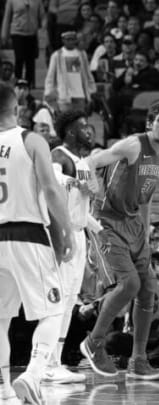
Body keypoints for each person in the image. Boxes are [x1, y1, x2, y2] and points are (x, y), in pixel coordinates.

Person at [79, 104, 159, 380]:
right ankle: (93, 343)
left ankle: (139, 360)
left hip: (134, 225)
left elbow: (145, 197)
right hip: (107, 221)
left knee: (147, 289)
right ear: (149, 125)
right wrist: (90, 185)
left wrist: (143, 234)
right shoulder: (133, 145)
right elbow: (90, 162)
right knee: (130, 284)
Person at [0, 82, 74, 404]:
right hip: (27, 234)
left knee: (0, 319)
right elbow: (52, 189)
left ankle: (5, 388)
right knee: (54, 309)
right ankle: (32, 375)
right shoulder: (30, 140)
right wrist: (68, 230)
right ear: (18, 109)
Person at [44, 110, 100, 384]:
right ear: (69, 131)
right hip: (59, 232)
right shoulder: (58, 155)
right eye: (83, 127)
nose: (89, 130)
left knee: (70, 300)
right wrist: (77, 183)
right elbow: (51, 182)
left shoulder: (84, 161)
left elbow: (83, 206)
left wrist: (100, 231)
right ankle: (45, 361)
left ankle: (54, 360)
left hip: (78, 233)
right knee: (58, 298)